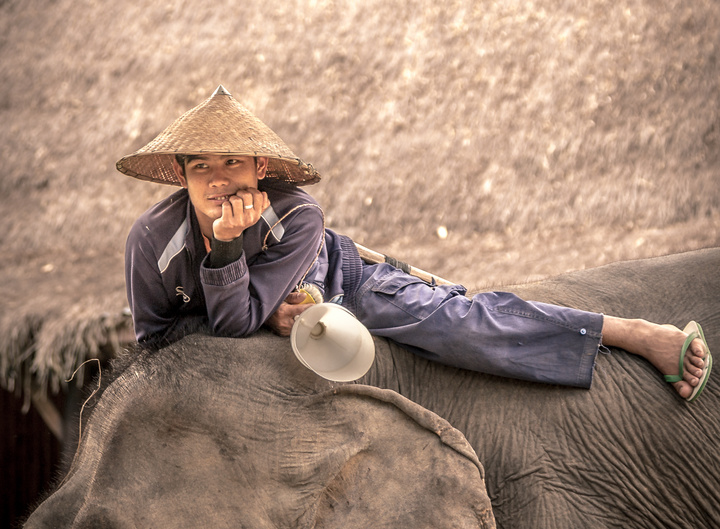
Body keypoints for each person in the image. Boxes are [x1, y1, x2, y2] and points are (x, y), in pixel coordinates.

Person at [117, 85, 712, 401]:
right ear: (181, 175)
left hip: (343, 285)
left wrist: (237, 269)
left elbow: (237, 323)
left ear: (258, 168)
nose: (218, 181)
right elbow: (159, 338)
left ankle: (628, 332)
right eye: (201, 168)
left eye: (232, 165)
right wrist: (247, 287)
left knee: (464, 325)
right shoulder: (151, 241)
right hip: (275, 321)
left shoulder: (297, 214)